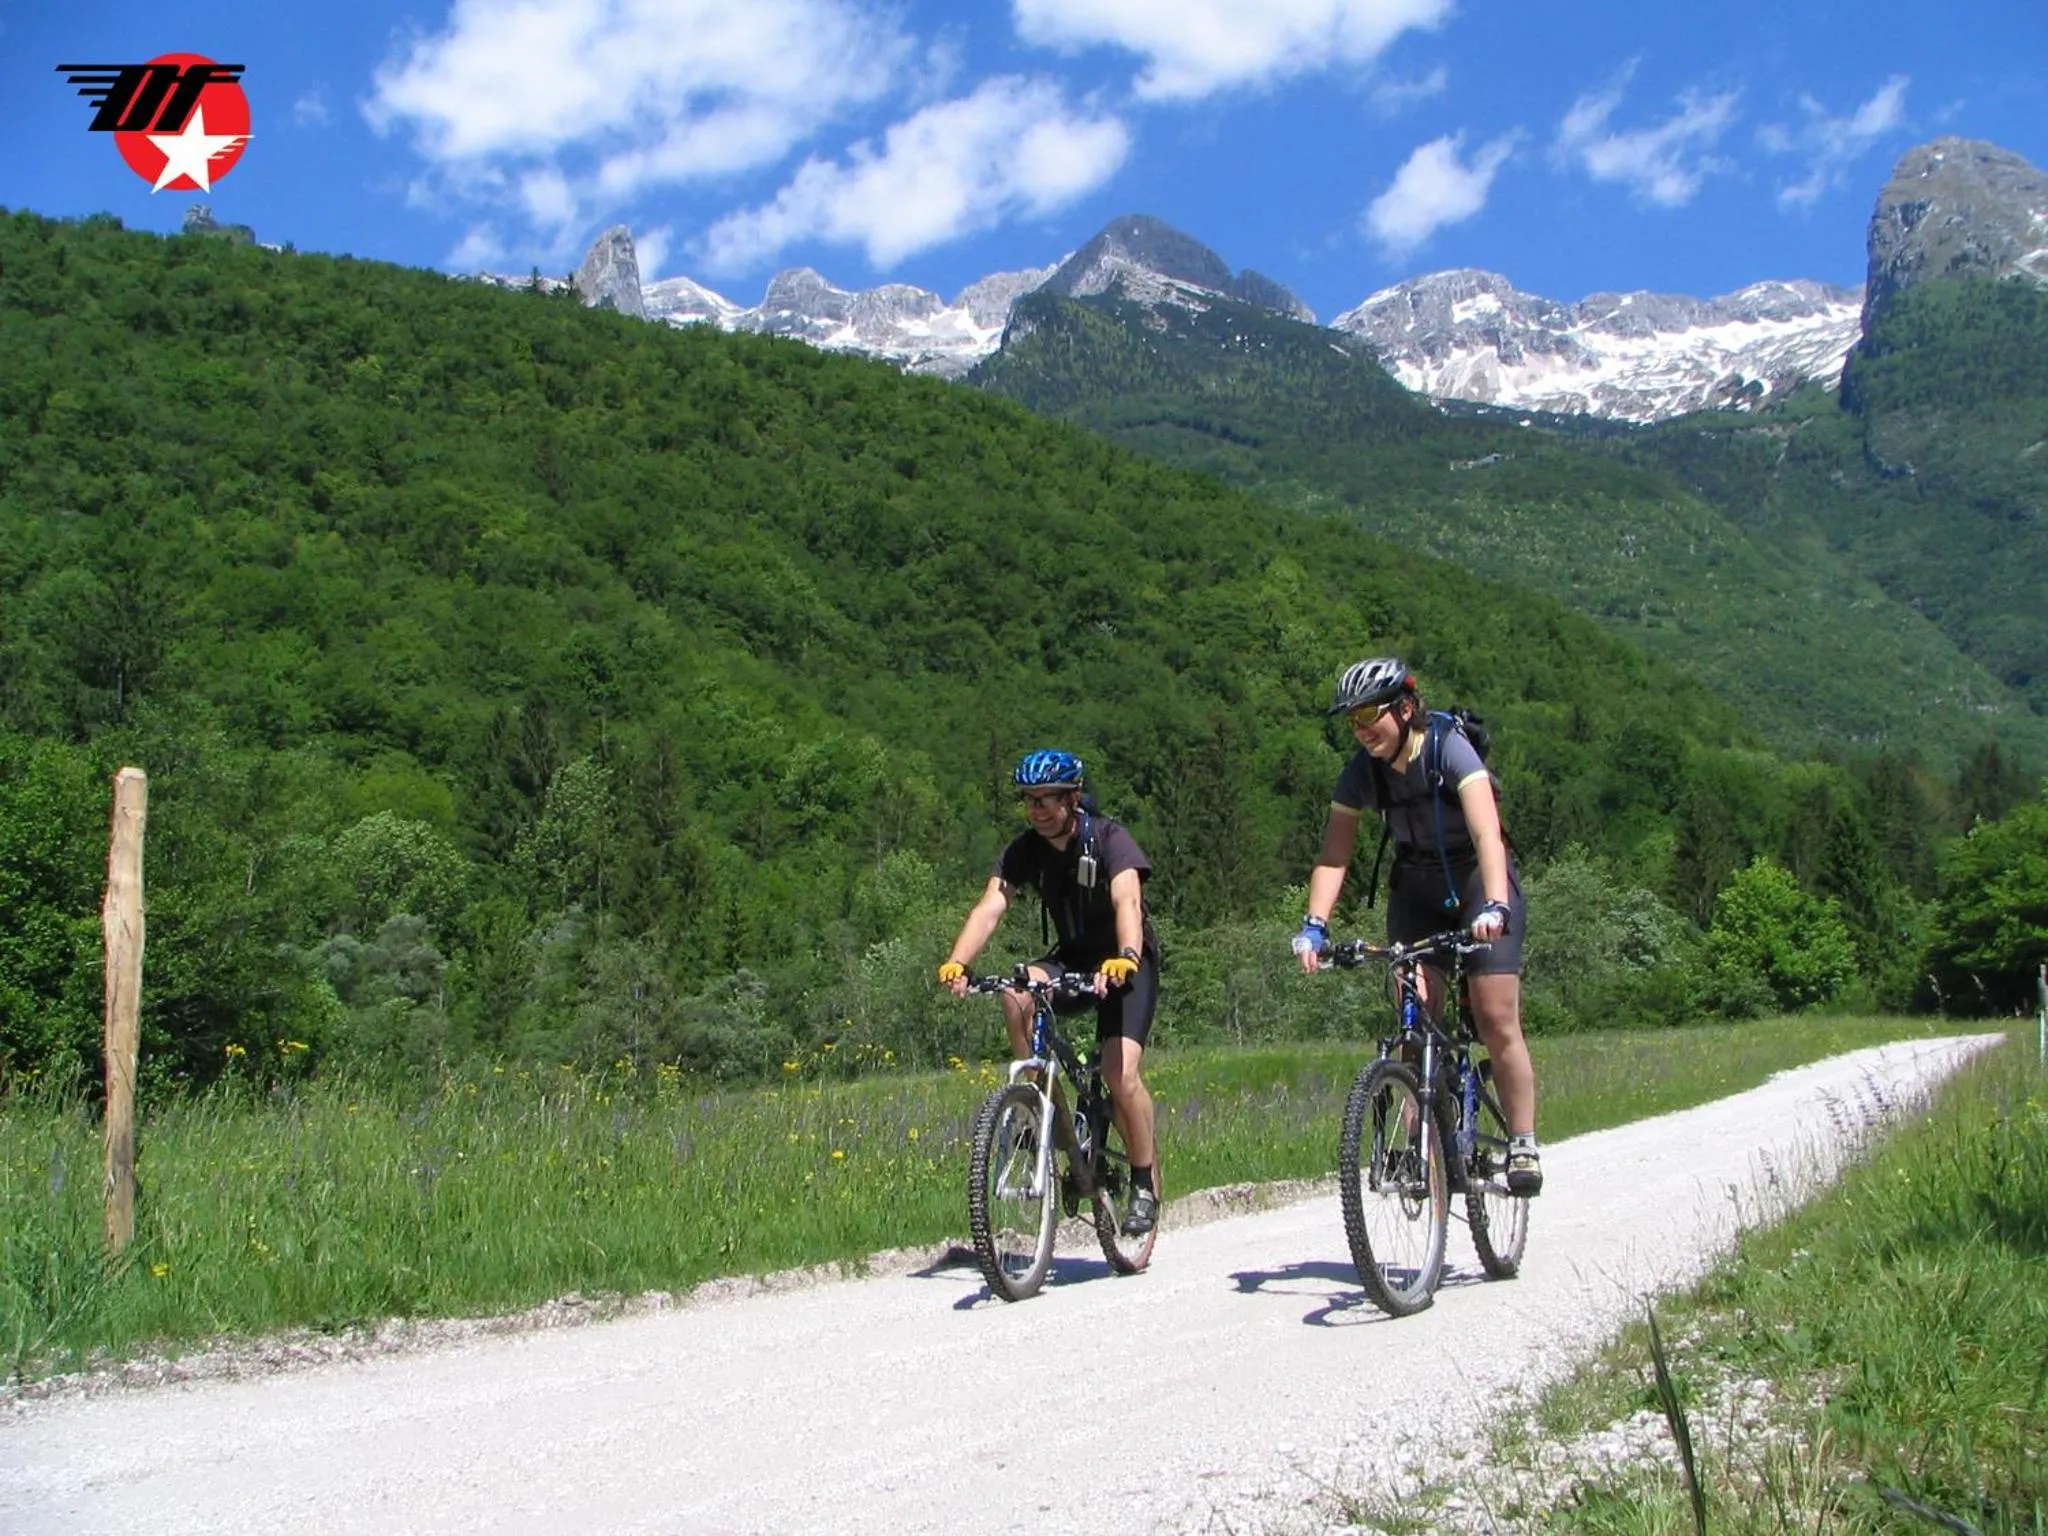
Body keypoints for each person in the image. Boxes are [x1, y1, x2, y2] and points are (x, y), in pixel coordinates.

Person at [1292, 657, 1543, 1195]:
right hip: (1417, 891)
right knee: (1413, 1018)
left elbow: (1487, 835)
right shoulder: (1362, 771)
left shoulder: (1448, 748)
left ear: (1405, 709)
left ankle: (1522, 1141)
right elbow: (1334, 856)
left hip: (1477, 880)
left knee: (1497, 1016)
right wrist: (1314, 924)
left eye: (1368, 716)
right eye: (1351, 722)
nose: (1361, 732)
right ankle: (1420, 1147)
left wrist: (1495, 905)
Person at [937, 749, 1163, 1236]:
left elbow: (1128, 898)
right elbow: (991, 906)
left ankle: (1144, 1182)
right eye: (1030, 800)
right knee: (1017, 993)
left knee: (1118, 1072)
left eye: (1048, 800)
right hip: (1074, 957)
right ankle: (1045, 1113)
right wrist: (959, 960)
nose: (1038, 810)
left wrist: (1126, 954)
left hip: (1127, 961)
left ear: (1074, 798)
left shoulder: (1108, 838)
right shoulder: (1026, 849)